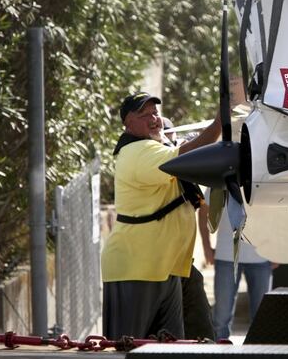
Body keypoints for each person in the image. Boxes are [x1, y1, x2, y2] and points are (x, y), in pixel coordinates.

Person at [100, 92, 221, 340]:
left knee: (170, 348)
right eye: (144, 114)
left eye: (155, 112)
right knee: (128, 348)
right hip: (136, 267)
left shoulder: (156, 146)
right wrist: (220, 122)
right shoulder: (138, 152)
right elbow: (188, 156)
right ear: (128, 124)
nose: (153, 118)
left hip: (164, 266)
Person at [161, 116, 215, 341]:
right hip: (159, 264)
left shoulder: (181, 167)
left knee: (198, 327)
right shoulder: (154, 163)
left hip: (180, 263)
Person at [211, 194, 273, 342]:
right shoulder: (220, 176)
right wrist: (206, 246)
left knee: (262, 314)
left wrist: (276, 250)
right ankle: (219, 354)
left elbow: (280, 216)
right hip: (226, 255)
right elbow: (204, 211)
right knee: (221, 315)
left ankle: (261, 354)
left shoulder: (263, 176)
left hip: (261, 255)